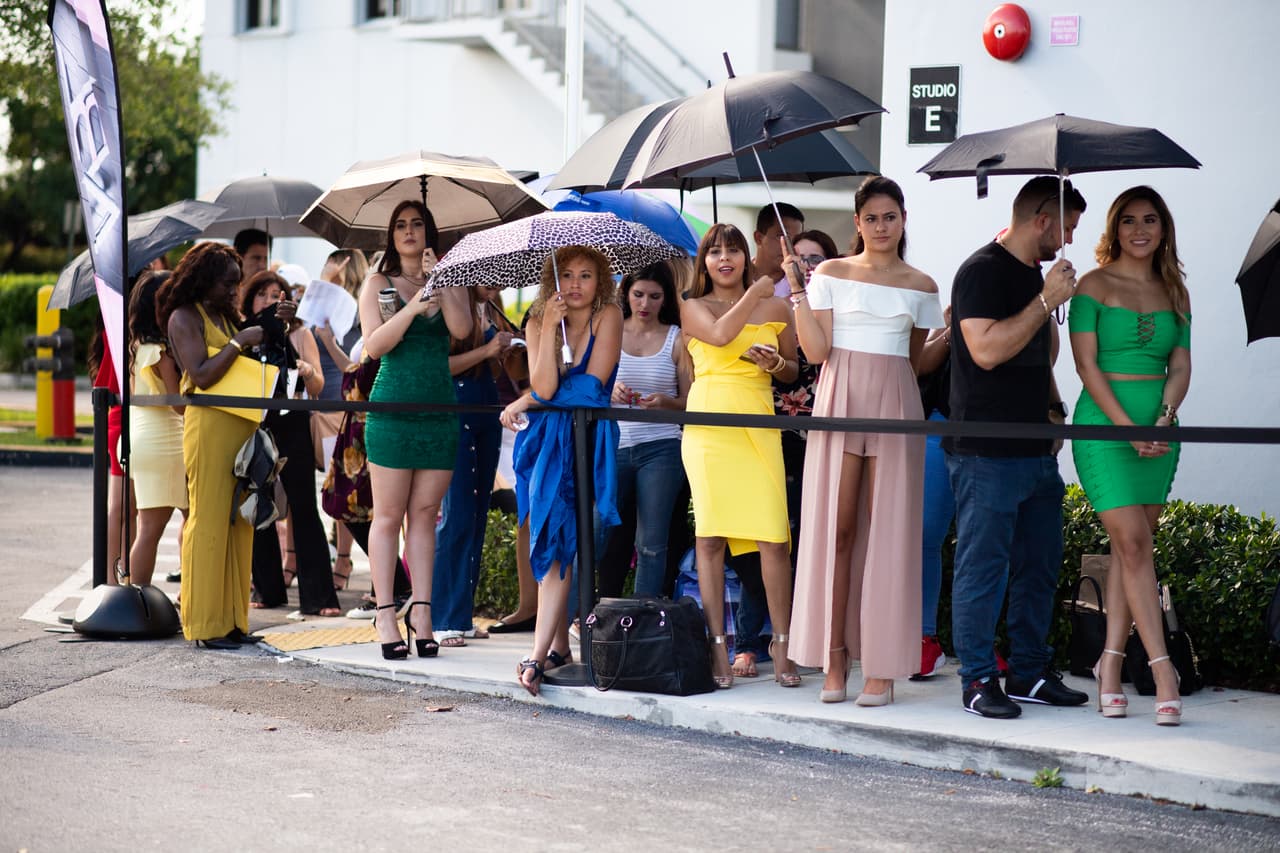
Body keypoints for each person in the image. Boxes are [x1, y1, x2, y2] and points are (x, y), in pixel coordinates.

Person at [786, 176, 944, 706]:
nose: (881, 226)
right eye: (871, 218)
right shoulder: (830, 272)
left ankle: (882, 667)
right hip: (839, 396)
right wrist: (798, 295)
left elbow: (917, 361)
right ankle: (834, 660)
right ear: (857, 223)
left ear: (904, 220)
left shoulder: (922, 285)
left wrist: (954, 338)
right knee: (840, 529)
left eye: (890, 217)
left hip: (897, 401)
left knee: (889, 534)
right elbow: (815, 351)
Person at [947, 176, 1089, 718]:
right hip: (985, 451)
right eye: (1068, 227)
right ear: (1042, 220)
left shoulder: (1034, 275)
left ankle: (1029, 672)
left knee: (1039, 566)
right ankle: (979, 680)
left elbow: (1036, 359)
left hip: (1034, 450)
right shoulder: (981, 271)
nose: (1069, 241)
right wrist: (1045, 300)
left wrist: (1054, 410)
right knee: (984, 567)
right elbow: (985, 350)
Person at [1070, 185, 1191, 726]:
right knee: (1134, 543)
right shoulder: (1092, 286)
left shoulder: (1176, 290)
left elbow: (1182, 365)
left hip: (1160, 431)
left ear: (1163, 228)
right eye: (1128, 221)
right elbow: (1086, 367)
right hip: (1103, 426)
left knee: (1130, 551)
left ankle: (1110, 666)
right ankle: (1164, 669)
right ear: (1113, 229)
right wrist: (1126, 429)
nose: (1140, 230)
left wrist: (1161, 421)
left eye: (1150, 220)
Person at [680, 223, 801, 690]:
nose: (724, 258)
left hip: (759, 421)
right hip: (710, 427)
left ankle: (783, 646)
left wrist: (774, 364)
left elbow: (792, 369)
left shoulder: (778, 307)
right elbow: (716, 334)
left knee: (773, 538)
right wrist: (755, 292)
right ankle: (717, 648)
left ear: (745, 254)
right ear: (704, 261)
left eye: (734, 249)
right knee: (710, 539)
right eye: (715, 251)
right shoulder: (692, 306)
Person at [500, 245, 622, 696]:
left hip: (583, 439)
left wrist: (528, 398)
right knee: (544, 535)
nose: (574, 284)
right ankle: (555, 649)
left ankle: (536, 656)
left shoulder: (607, 316)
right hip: (545, 442)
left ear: (600, 282)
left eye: (585, 276)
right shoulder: (538, 320)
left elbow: (592, 389)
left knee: (561, 541)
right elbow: (550, 385)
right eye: (566, 275)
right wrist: (549, 328)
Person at [359, 200, 473, 660]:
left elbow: (462, 329)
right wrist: (413, 305)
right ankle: (386, 613)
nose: (409, 231)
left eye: (417, 224)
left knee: (426, 515)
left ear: (430, 231)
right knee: (388, 516)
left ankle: (422, 613)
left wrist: (440, 283)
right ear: (392, 235)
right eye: (401, 225)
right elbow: (374, 346)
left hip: (440, 408)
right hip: (392, 407)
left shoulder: (448, 274)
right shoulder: (377, 282)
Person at [732, 226, 835, 679]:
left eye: (817, 258)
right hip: (773, 437)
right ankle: (751, 641)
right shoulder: (774, 307)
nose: (808, 265)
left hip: (825, 439)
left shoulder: (837, 307)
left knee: (811, 544)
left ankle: (810, 640)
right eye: (802, 257)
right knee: (766, 541)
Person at [161, 242, 265, 649]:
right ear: (205, 280)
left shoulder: (223, 315)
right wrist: (241, 343)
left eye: (237, 284)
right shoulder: (183, 317)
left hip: (238, 427)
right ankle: (205, 625)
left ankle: (234, 621)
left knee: (239, 524)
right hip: (207, 428)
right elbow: (200, 375)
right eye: (228, 284)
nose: (234, 291)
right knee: (208, 522)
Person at [239, 271, 337, 617]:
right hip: (256, 421)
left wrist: (308, 370)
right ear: (249, 299)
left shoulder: (299, 331)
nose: (269, 301)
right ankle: (266, 588)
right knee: (258, 503)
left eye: (275, 294)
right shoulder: (246, 333)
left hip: (293, 420)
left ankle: (321, 596)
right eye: (262, 295)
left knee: (304, 506)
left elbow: (319, 387)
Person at [599, 261, 691, 599]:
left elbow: (689, 400)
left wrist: (666, 402)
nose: (645, 304)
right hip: (616, 442)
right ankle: (598, 613)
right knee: (603, 533)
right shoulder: (610, 331)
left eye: (654, 296)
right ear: (626, 293)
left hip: (662, 445)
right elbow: (590, 385)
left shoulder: (675, 337)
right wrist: (608, 391)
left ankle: (644, 617)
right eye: (638, 295)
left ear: (665, 299)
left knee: (652, 542)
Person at [431, 286, 516, 646]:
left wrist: (506, 351)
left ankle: (461, 614)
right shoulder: (452, 304)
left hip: (487, 411)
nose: (496, 283)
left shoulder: (489, 308)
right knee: (459, 514)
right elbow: (440, 365)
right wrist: (487, 349)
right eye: (488, 276)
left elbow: (494, 366)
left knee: (479, 513)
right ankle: (444, 617)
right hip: (455, 410)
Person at [311, 249, 370, 591]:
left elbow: (352, 363)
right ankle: (339, 559)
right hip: (319, 404)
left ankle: (344, 559)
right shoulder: (322, 310)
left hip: (343, 406)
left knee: (345, 489)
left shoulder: (357, 315)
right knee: (334, 488)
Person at [126, 270, 186, 587]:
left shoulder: (135, 347)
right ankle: (189, 594)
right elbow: (178, 404)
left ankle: (136, 597)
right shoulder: (162, 353)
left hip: (139, 433)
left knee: (147, 527)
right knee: (193, 520)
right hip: (167, 438)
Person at [913, 305, 955, 679]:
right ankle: (925, 638)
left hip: (997, 430)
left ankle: (985, 640)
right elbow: (922, 363)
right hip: (942, 425)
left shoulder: (1035, 311)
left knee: (991, 542)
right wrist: (951, 328)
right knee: (926, 535)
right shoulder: (954, 319)